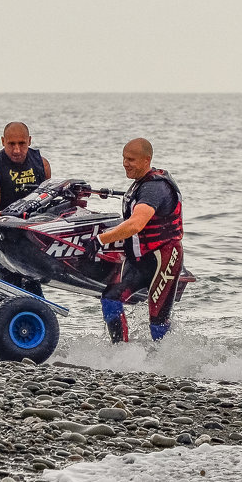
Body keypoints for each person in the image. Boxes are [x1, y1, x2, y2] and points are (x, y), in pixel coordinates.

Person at [79, 138, 184, 343]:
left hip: (163, 260)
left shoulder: (155, 188)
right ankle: (121, 354)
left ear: (147, 160)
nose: (125, 163)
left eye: (131, 159)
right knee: (110, 299)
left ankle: (170, 363)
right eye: (124, 158)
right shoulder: (139, 185)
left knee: (158, 322)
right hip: (139, 262)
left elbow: (136, 224)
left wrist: (100, 240)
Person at [0, 121, 51, 296]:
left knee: (34, 289)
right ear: (3, 141)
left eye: (22, 144)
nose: (17, 150)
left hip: (34, 236)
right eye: (11, 144)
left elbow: (49, 204)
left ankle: (36, 318)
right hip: (4, 236)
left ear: (30, 141)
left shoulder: (42, 164)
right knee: (11, 288)